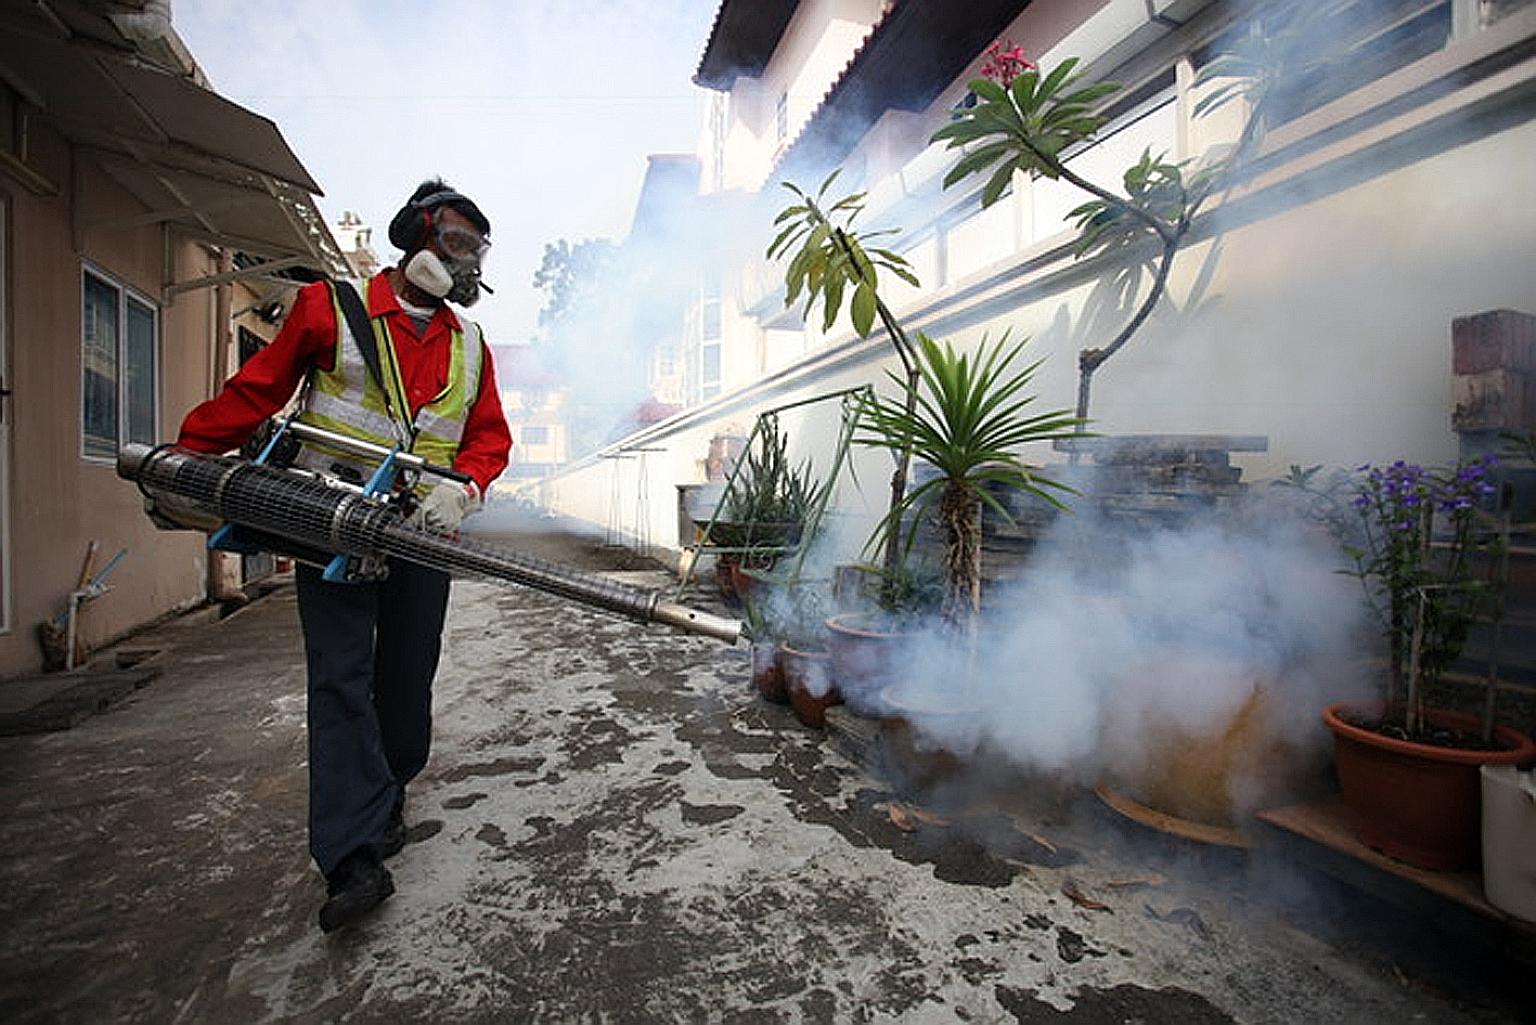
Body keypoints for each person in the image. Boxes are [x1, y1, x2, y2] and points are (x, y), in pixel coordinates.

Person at [176, 179, 511, 932]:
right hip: (331, 523)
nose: (465, 264)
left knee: (405, 677)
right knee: (339, 680)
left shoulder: (472, 344)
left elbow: (489, 436)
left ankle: (388, 790)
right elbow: (255, 392)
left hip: (424, 535)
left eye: (475, 252)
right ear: (411, 235)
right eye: (456, 244)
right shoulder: (333, 306)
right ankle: (350, 856)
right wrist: (184, 458)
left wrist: (467, 488)